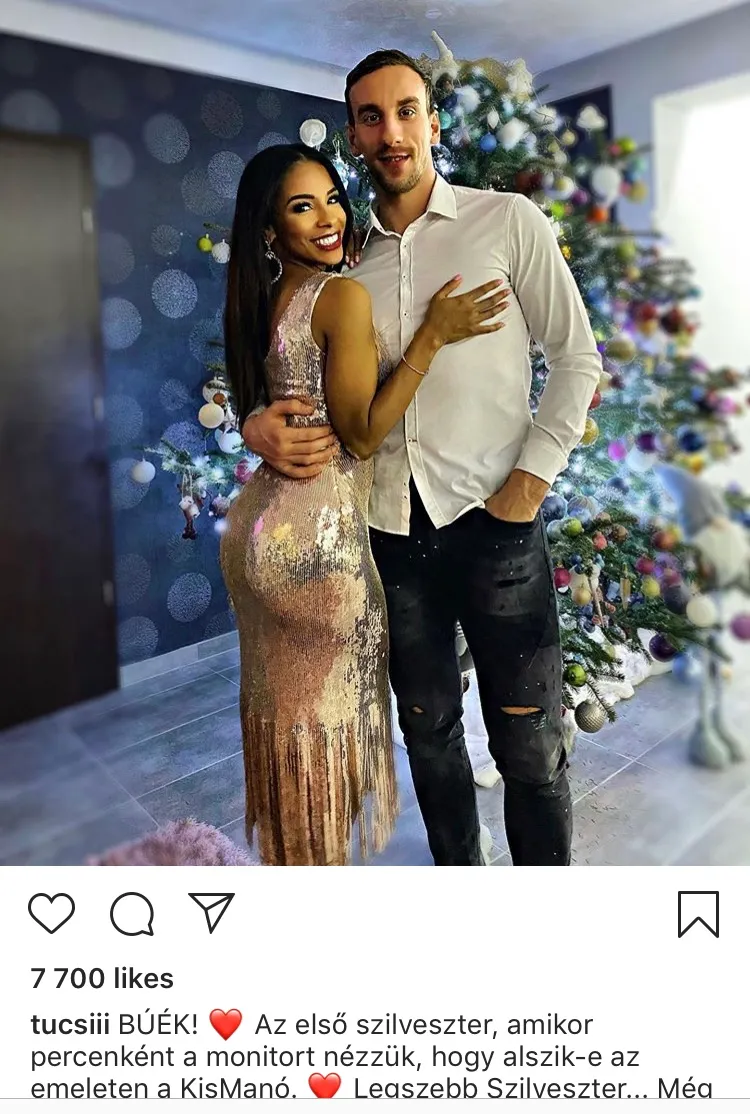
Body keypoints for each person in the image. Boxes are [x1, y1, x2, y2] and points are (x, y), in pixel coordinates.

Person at [243, 51, 604, 868]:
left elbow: (577, 358)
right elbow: (291, 364)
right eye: (371, 117)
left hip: (497, 525)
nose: (391, 132)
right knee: (429, 734)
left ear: (433, 123)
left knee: (531, 745)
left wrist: (527, 486)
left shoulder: (507, 221)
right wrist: (256, 422)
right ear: (354, 137)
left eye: (406, 110)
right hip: (389, 540)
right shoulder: (345, 263)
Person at [220, 142, 508, 866]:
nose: (329, 218)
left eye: (332, 199)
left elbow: (264, 392)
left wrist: (251, 422)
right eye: (302, 206)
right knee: (324, 751)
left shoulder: (265, 298)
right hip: (321, 542)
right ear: (269, 229)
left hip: (261, 527)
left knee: (288, 739)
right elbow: (361, 434)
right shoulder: (341, 296)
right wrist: (431, 336)